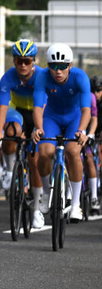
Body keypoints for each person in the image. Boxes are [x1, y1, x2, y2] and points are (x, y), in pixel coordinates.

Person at [31, 43, 91, 223]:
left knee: (73, 152)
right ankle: (47, 192)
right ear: (48, 66)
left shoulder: (80, 77)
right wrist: (39, 128)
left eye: (62, 66)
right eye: (53, 66)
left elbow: (87, 110)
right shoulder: (42, 77)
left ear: (70, 66)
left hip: (75, 118)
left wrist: (81, 131)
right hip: (52, 118)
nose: (58, 71)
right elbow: (37, 107)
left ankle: (75, 205)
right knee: (44, 152)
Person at [0, 39, 44, 226]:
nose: (22, 65)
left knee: (35, 161)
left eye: (27, 61)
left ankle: (37, 209)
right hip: (17, 110)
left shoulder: (42, 77)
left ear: (34, 61)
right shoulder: (7, 78)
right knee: (11, 130)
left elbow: (41, 106)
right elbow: (3, 108)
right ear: (14, 60)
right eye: (19, 60)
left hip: (39, 111)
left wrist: (38, 129)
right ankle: (10, 169)